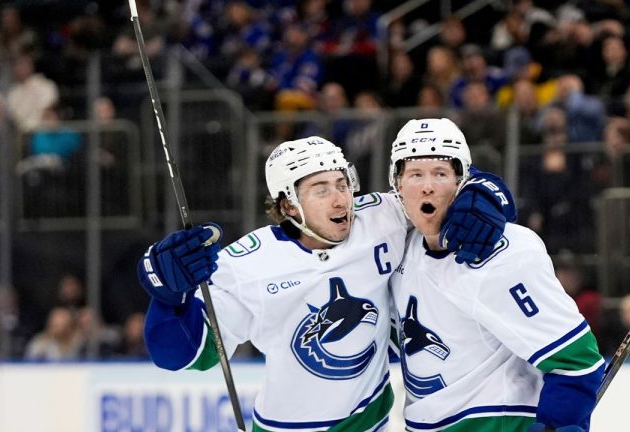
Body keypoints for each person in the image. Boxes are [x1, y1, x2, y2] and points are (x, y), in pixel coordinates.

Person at [138, 134, 513, 430]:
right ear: (288, 205)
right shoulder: (249, 266)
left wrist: (486, 193)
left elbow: (444, 184)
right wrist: (168, 296)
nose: (339, 201)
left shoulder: (381, 218)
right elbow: (183, 356)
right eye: (320, 190)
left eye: (342, 183)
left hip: (373, 421)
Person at [387, 118, 604, 432]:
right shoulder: (396, 247)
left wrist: (558, 424)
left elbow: (576, 362)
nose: (428, 186)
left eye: (441, 173)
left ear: (463, 180)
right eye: (416, 174)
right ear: (397, 185)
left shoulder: (506, 254)